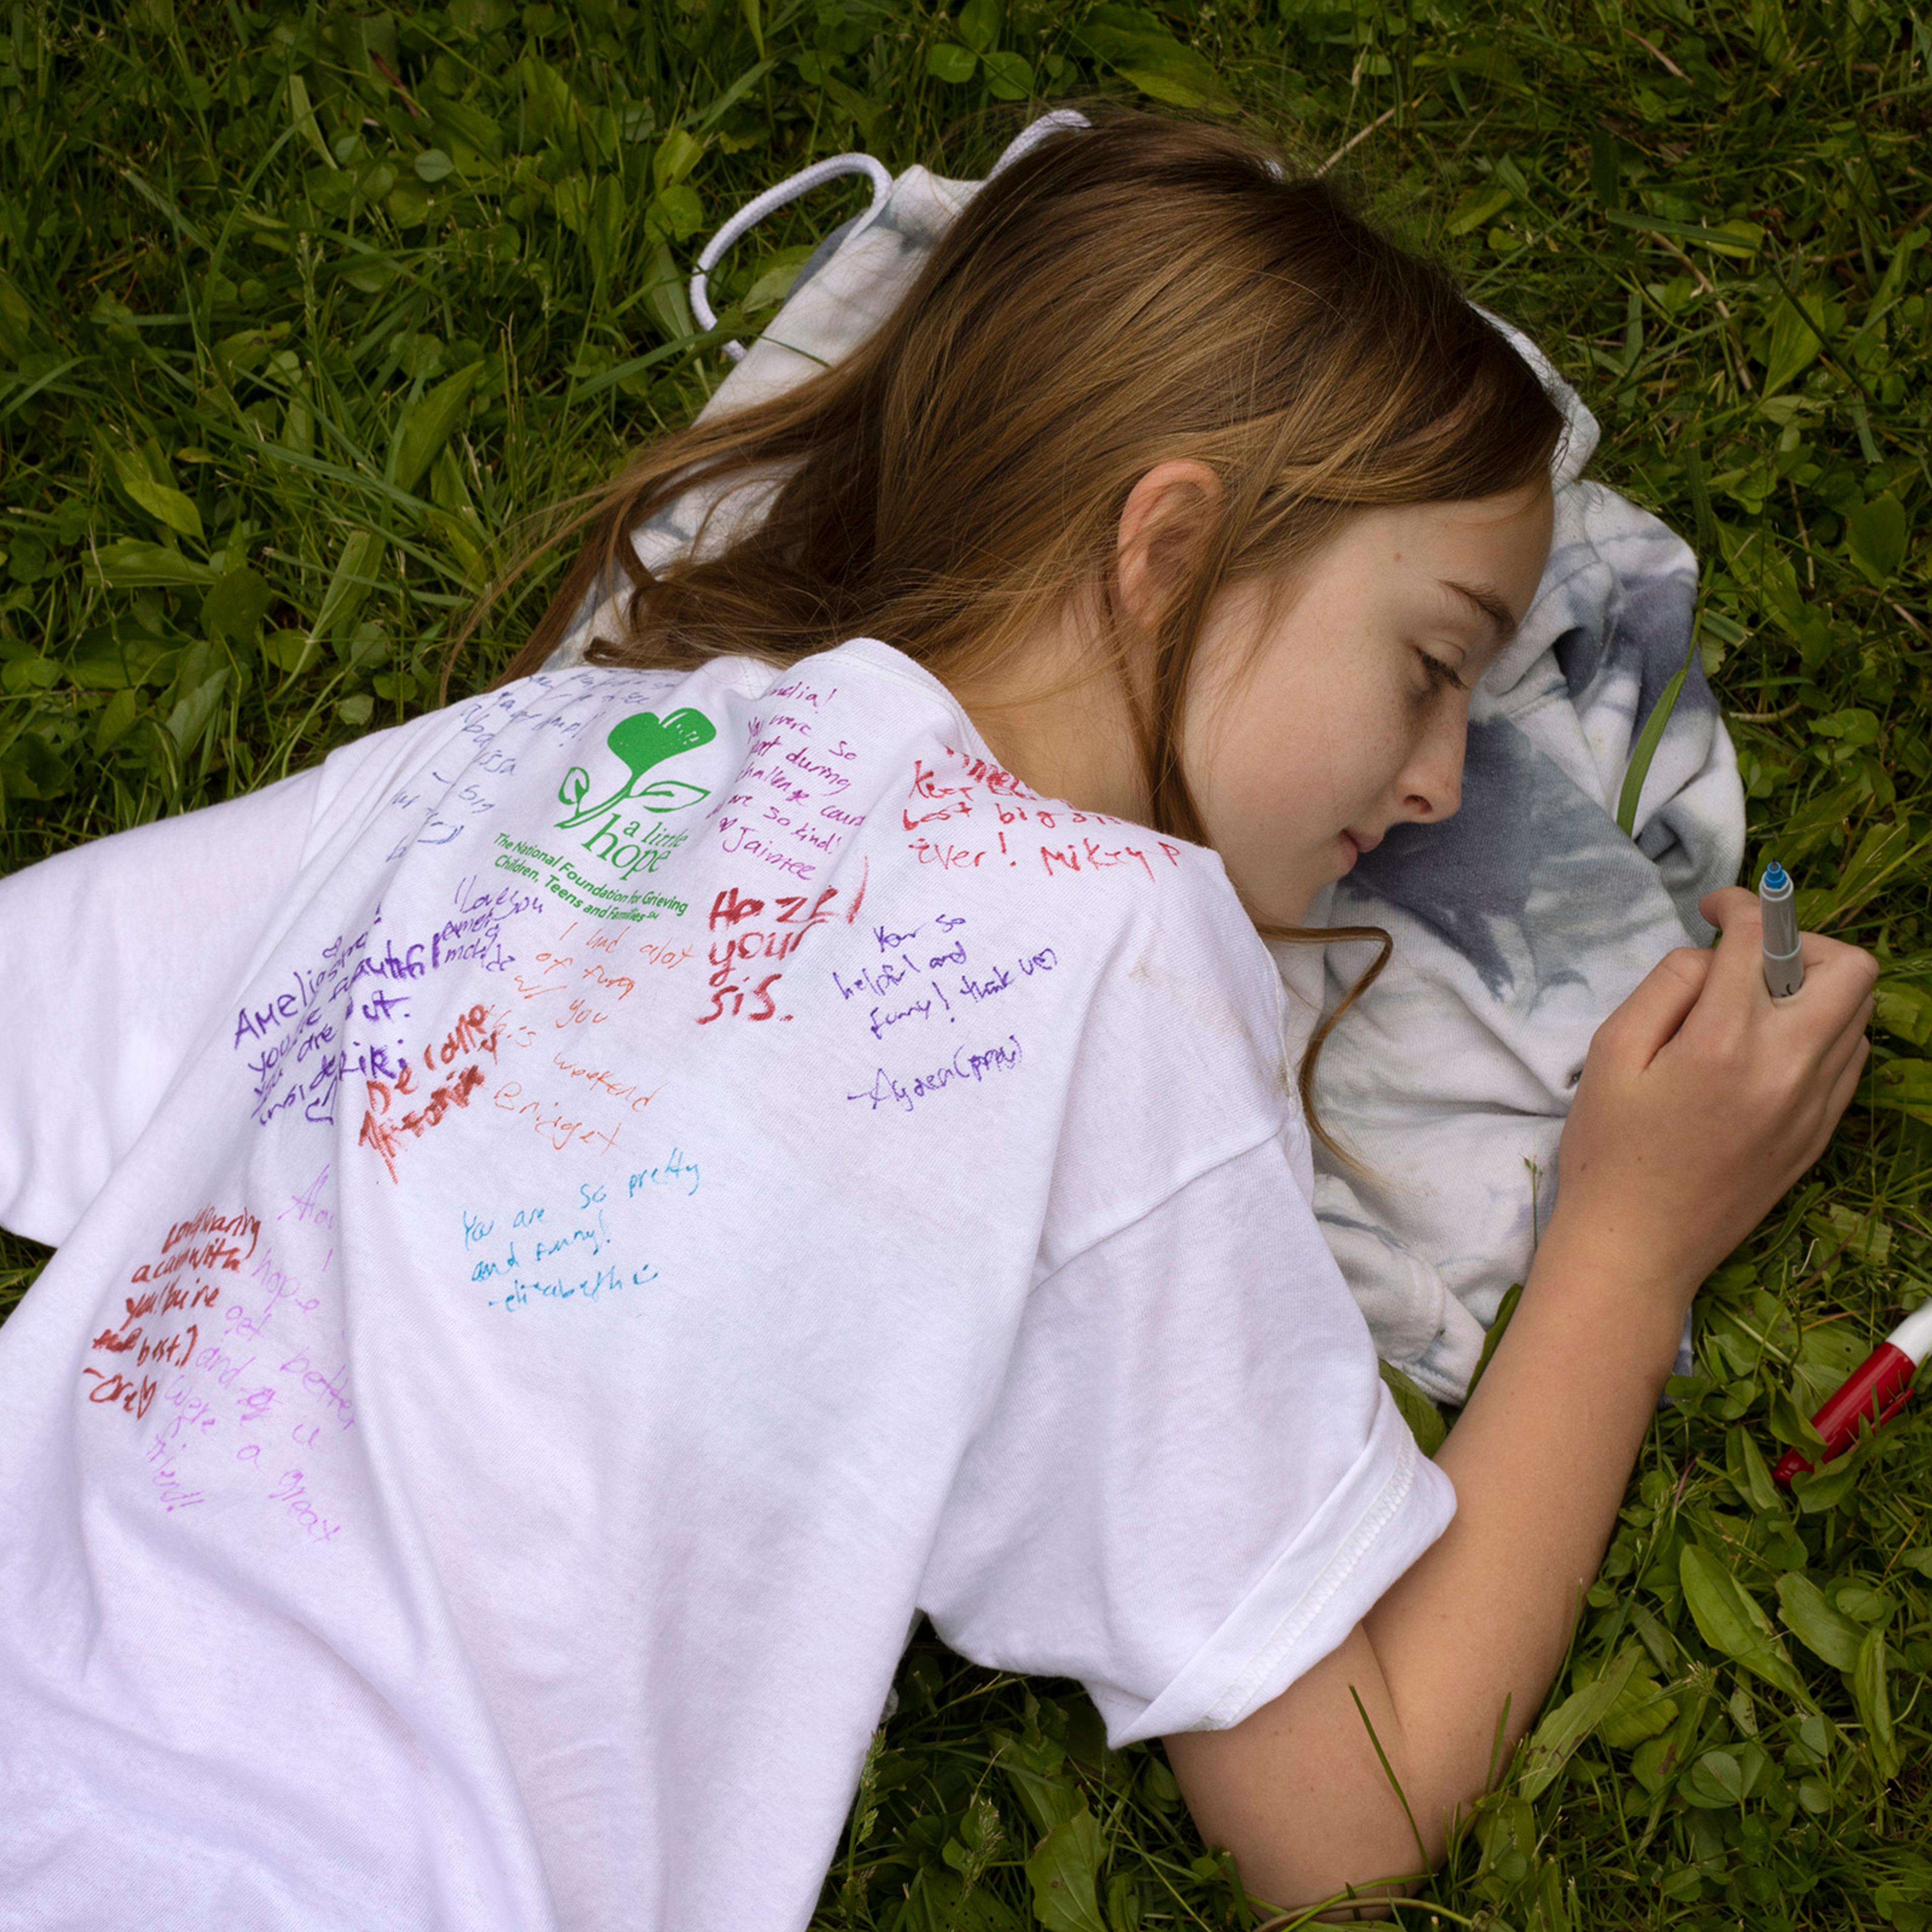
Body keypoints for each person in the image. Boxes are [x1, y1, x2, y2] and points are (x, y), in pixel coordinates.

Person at [0, 108, 1874, 1928]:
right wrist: (1632, 1242)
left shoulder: (542, 744)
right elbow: (1345, 1803)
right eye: (1432, 665)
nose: (1448, 782)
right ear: (1167, 552)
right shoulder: (1108, 952)